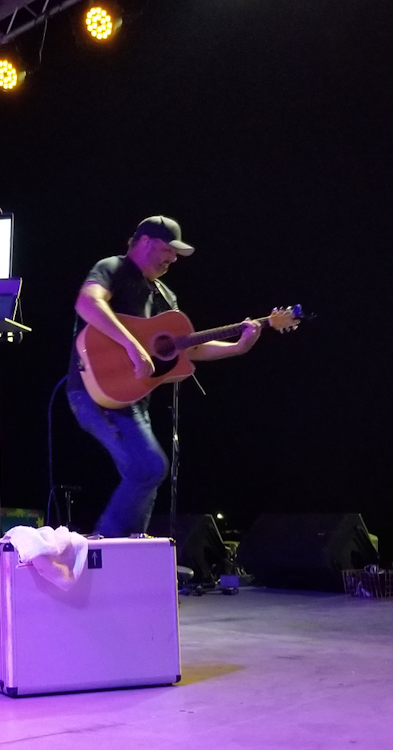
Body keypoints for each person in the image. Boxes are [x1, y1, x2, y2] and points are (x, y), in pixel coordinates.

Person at [66, 216, 261, 537]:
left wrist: (237, 348)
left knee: (146, 473)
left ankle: (130, 548)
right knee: (150, 468)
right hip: (93, 391)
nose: (172, 259)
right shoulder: (113, 268)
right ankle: (107, 547)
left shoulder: (165, 297)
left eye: (175, 255)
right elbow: (88, 302)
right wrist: (131, 345)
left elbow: (188, 348)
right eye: (168, 250)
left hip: (130, 398)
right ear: (143, 241)